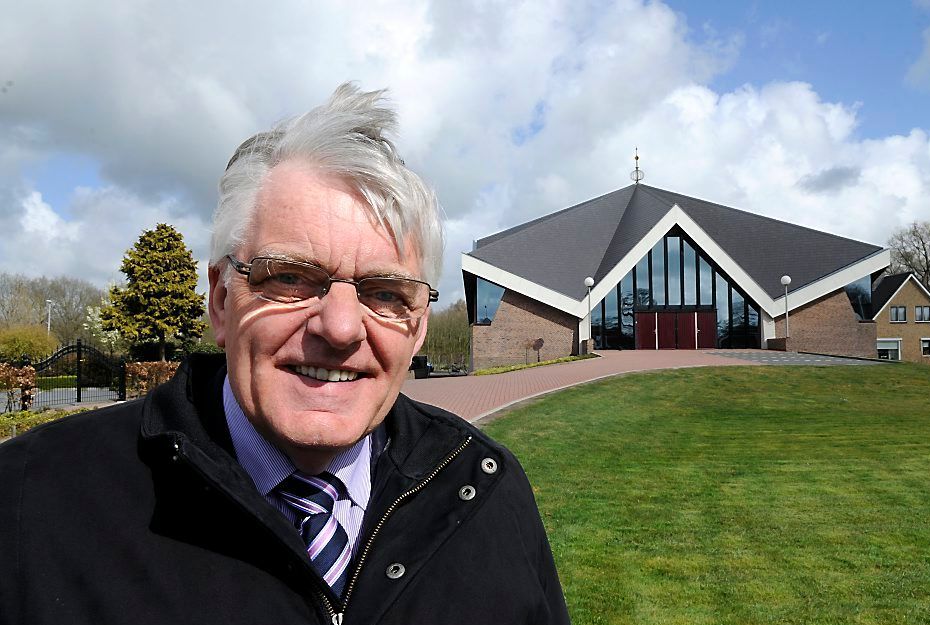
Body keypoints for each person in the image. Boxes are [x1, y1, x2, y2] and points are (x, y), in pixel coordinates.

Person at [0, 84, 570, 625]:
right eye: (291, 278)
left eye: (384, 294)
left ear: (418, 327)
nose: (342, 328)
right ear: (221, 301)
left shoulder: (486, 490)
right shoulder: (32, 503)